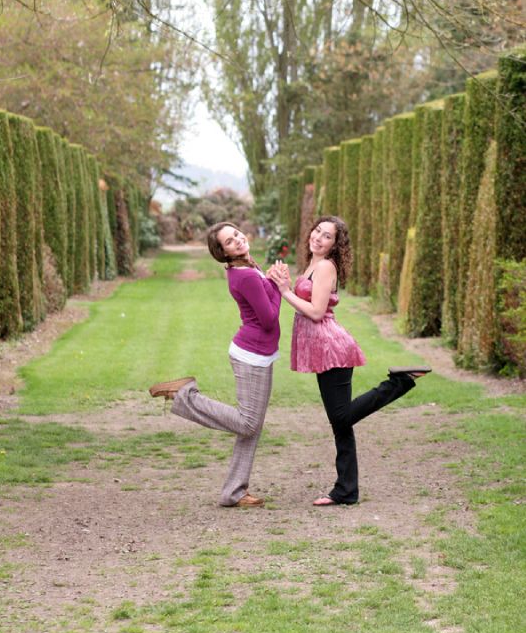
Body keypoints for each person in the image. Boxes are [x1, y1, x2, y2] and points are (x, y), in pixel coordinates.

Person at [269, 215, 431, 507]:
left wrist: (285, 291)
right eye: (317, 231)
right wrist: (283, 284)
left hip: (331, 348)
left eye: (327, 236)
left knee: (341, 418)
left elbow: (317, 312)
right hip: (322, 349)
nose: (318, 237)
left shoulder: (325, 267)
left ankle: (399, 382)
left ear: (335, 245)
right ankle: (346, 490)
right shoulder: (313, 264)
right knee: (341, 424)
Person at [149, 222, 281, 508]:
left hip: (260, 353)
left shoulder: (246, 268)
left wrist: (271, 282)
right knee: (248, 423)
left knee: (252, 427)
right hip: (252, 355)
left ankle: (234, 492)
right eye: (229, 241)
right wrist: (279, 287)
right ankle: (185, 395)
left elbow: (265, 308)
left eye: (236, 234)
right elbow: (269, 320)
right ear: (223, 253)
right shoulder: (244, 276)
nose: (237, 240)